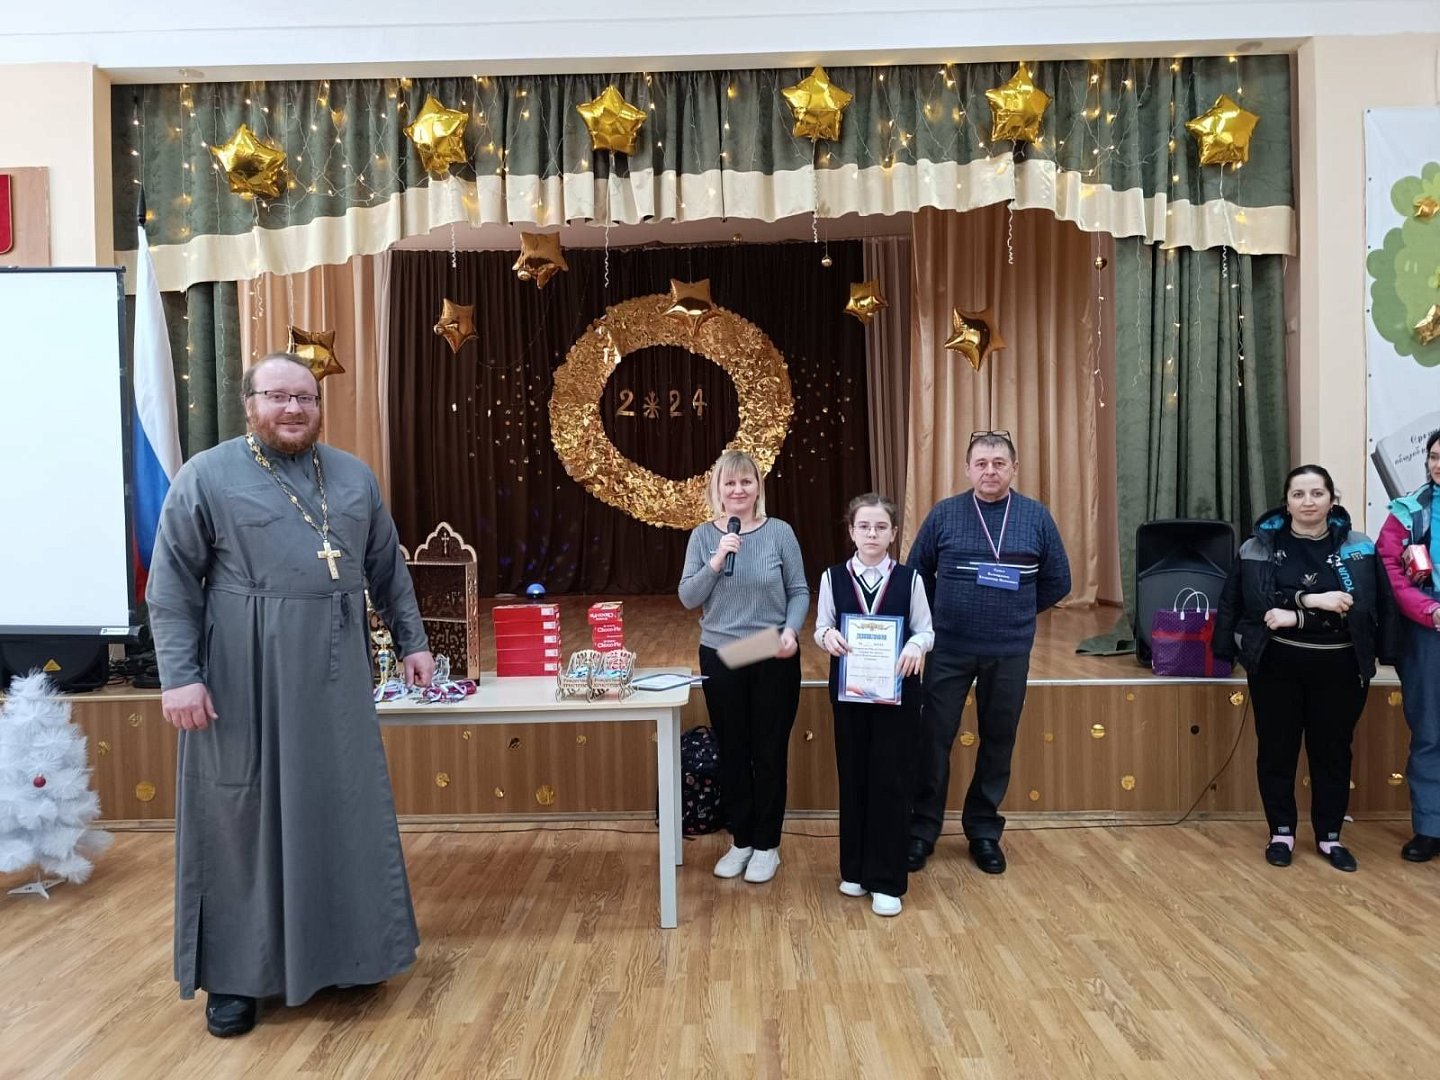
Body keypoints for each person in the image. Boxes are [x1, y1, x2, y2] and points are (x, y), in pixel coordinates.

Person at [147, 353, 434, 1037]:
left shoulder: (353, 476)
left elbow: (387, 568)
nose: (294, 409)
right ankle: (236, 978)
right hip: (241, 672)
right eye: (278, 396)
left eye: (305, 397)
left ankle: (347, 955)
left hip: (336, 669)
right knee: (239, 817)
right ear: (250, 403)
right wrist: (179, 675)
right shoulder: (206, 476)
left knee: (339, 805)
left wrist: (414, 641)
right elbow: (172, 584)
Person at [906, 431, 1071, 875]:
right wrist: (941, 615)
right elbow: (917, 575)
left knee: (998, 740)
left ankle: (982, 829)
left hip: (1009, 649)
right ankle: (922, 829)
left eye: (999, 463)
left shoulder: (1036, 516)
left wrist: (1018, 611)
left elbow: (1059, 580)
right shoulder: (945, 514)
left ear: (1014, 468)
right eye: (981, 463)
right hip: (949, 647)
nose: (990, 471)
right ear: (967, 469)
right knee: (933, 738)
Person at [1213, 465, 1392, 872]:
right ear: (1286, 502)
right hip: (1275, 668)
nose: (1308, 502)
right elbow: (1249, 605)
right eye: (1298, 494)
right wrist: (1311, 601)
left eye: (1317, 493)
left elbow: (1363, 606)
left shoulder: (1359, 547)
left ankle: (1329, 836)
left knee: (1333, 754)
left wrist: (1294, 614)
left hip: (1341, 670)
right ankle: (1281, 832)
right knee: (1277, 752)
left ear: (1332, 499)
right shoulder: (1258, 548)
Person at [679, 449, 809, 884]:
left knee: (768, 750)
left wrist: (791, 631)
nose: (738, 490)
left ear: (758, 488)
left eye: (745, 482)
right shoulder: (703, 537)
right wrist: (716, 560)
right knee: (733, 750)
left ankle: (767, 845)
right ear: (718, 489)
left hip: (770, 649)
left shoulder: (780, 532)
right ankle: (742, 840)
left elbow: (799, 590)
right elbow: (688, 597)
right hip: (722, 652)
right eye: (730, 483)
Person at [814, 494, 933, 916]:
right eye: (864, 526)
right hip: (850, 692)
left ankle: (886, 880)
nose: (872, 534)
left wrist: (916, 646)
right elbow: (821, 626)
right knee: (853, 775)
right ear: (851, 531)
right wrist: (827, 637)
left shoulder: (910, 579)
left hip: (897, 693)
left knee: (891, 780)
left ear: (893, 533)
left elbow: (926, 630)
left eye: (881, 527)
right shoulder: (832, 577)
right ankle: (855, 869)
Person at [1377, 430, 1440, 863]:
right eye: (1434, 456)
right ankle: (1430, 827)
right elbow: (1391, 570)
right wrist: (1429, 611)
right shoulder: (1407, 511)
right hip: (1427, 632)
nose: (1438, 465)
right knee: (1430, 732)